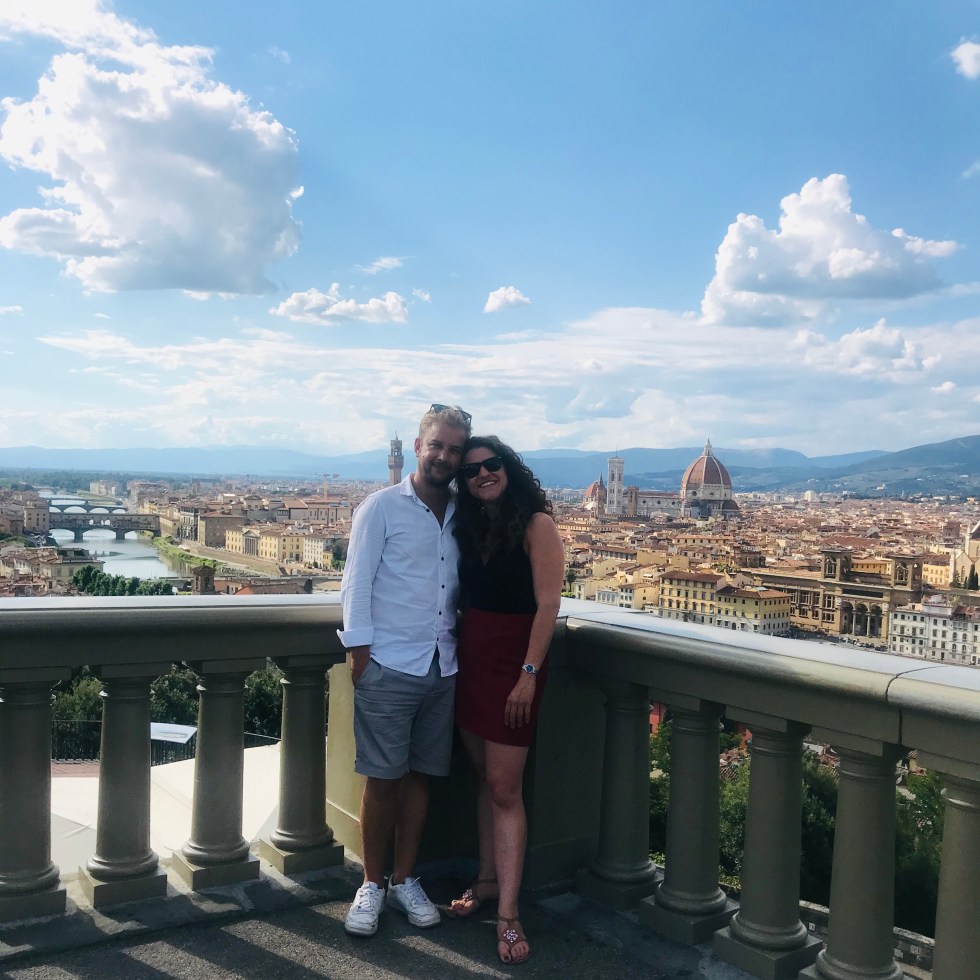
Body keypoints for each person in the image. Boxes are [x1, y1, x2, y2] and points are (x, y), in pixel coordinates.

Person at [338, 404, 472, 938]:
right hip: (390, 663)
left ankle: (405, 878)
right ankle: (371, 884)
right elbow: (356, 584)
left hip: (444, 664)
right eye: (436, 445)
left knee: (421, 777)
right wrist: (361, 656)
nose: (444, 456)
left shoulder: (467, 514)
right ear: (416, 448)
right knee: (383, 778)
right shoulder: (380, 508)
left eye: (454, 449)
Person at [447, 436, 564, 965]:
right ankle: (488, 881)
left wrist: (528, 676)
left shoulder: (538, 526)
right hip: (472, 662)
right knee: (485, 780)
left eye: (492, 466)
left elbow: (548, 605)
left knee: (504, 788)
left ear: (509, 469)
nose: (483, 475)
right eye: (471, 471)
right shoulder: (472, 526)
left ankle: (510, 914)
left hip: (513, 667)